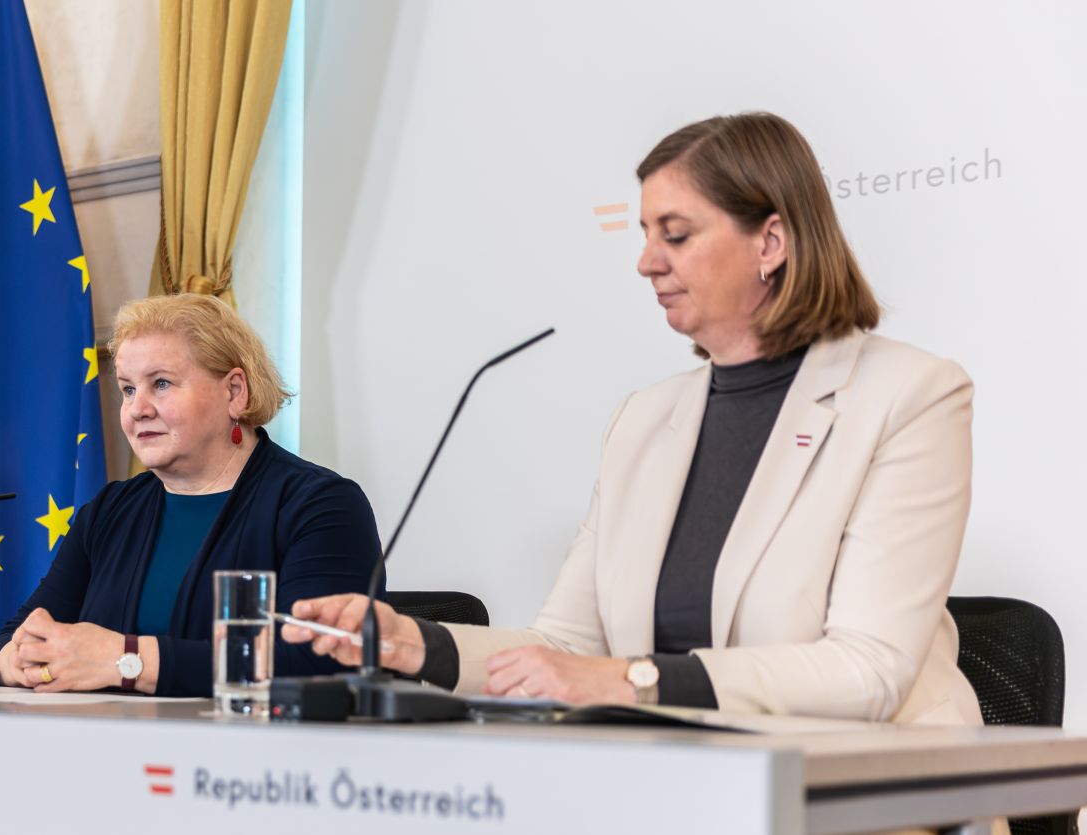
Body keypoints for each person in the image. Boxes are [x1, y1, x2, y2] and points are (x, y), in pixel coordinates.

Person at [286, 112, 981, 725]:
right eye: (646, 233)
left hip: (866, 788)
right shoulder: (645, 420)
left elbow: (868, 670)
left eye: (675, 235)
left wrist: (630, 679)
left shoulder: (910, 394)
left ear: (771, 242)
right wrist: (413, 641)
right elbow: (564, 647)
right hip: (681, 784)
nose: (647, 261)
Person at [0, 294, 383, 696]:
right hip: (107, 749)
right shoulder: (110, 510)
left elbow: (324, 661)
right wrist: (19, 662)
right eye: (127, 389)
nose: (137, 408)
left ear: (234, 393)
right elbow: (8, 641)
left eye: (160, 384)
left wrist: (124, 659)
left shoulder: (322, 506)